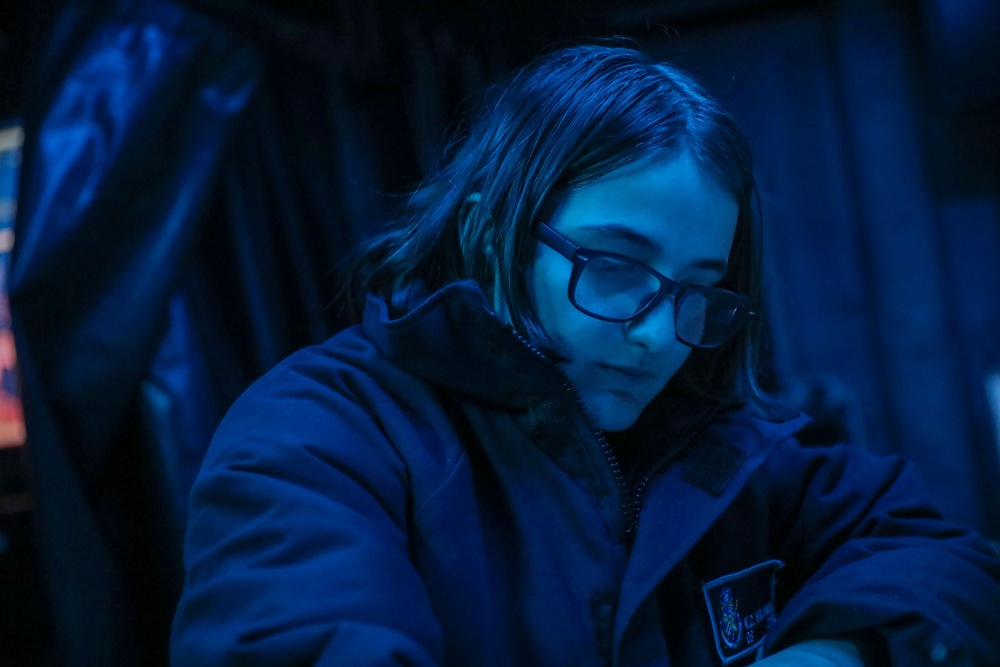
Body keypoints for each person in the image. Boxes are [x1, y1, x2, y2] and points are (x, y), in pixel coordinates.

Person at [170, 44, 1000, 666]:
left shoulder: (728, 445)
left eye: (695, 289)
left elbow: (943, 556)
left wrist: (835, 652)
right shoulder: (318, 437)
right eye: (612, 266)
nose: (655, 333)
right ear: (489, 230)